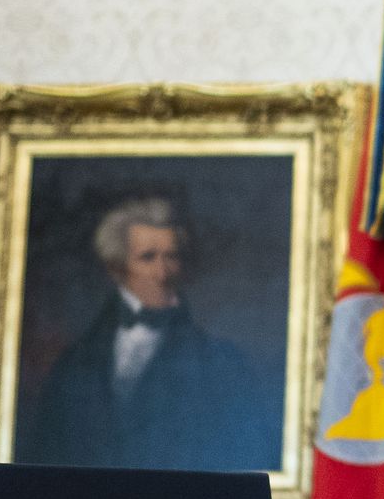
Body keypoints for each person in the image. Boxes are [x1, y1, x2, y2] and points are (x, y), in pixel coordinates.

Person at [16, 195, 281, 472]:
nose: (162, 272)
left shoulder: (222, 364)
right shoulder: (73, 365)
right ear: (116, 268)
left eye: (171, 257)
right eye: (148, 258)